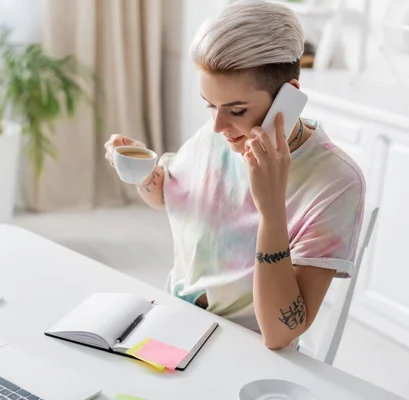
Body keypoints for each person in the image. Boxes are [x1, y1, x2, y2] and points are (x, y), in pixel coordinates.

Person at [104, 0, 365, 350]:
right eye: (210, 105)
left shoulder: (335, 181)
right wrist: (141, 168)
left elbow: (279, 333)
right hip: (172, 328)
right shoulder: (217, 138)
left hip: (247, 351)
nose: (218, 126)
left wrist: (271, 210)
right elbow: (165, 196)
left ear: (288, 99)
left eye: (236, 110)